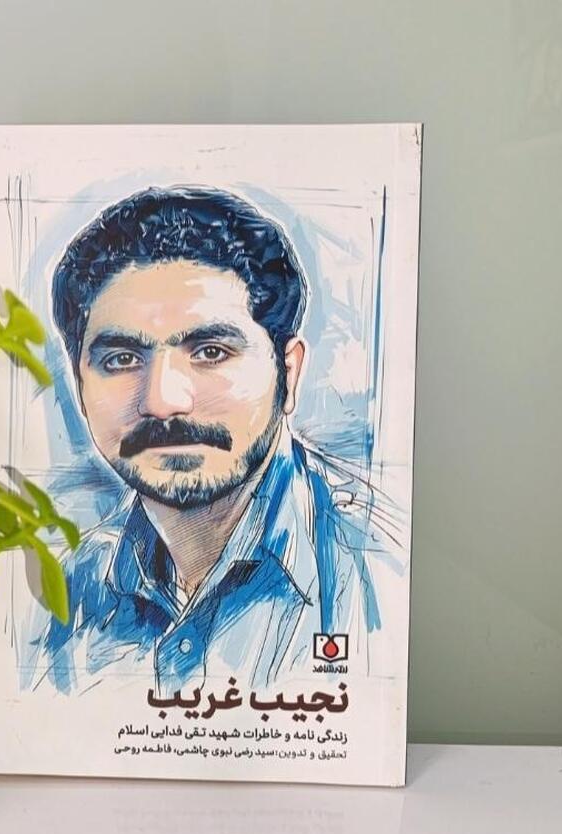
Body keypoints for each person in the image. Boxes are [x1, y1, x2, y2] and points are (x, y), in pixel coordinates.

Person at [26, 186, 380, 694]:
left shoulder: (378, 572)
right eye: (122, 359)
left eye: (211, 352)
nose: (163, 401)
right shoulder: (66, 591)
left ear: (289, 374)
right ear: (80, 384)